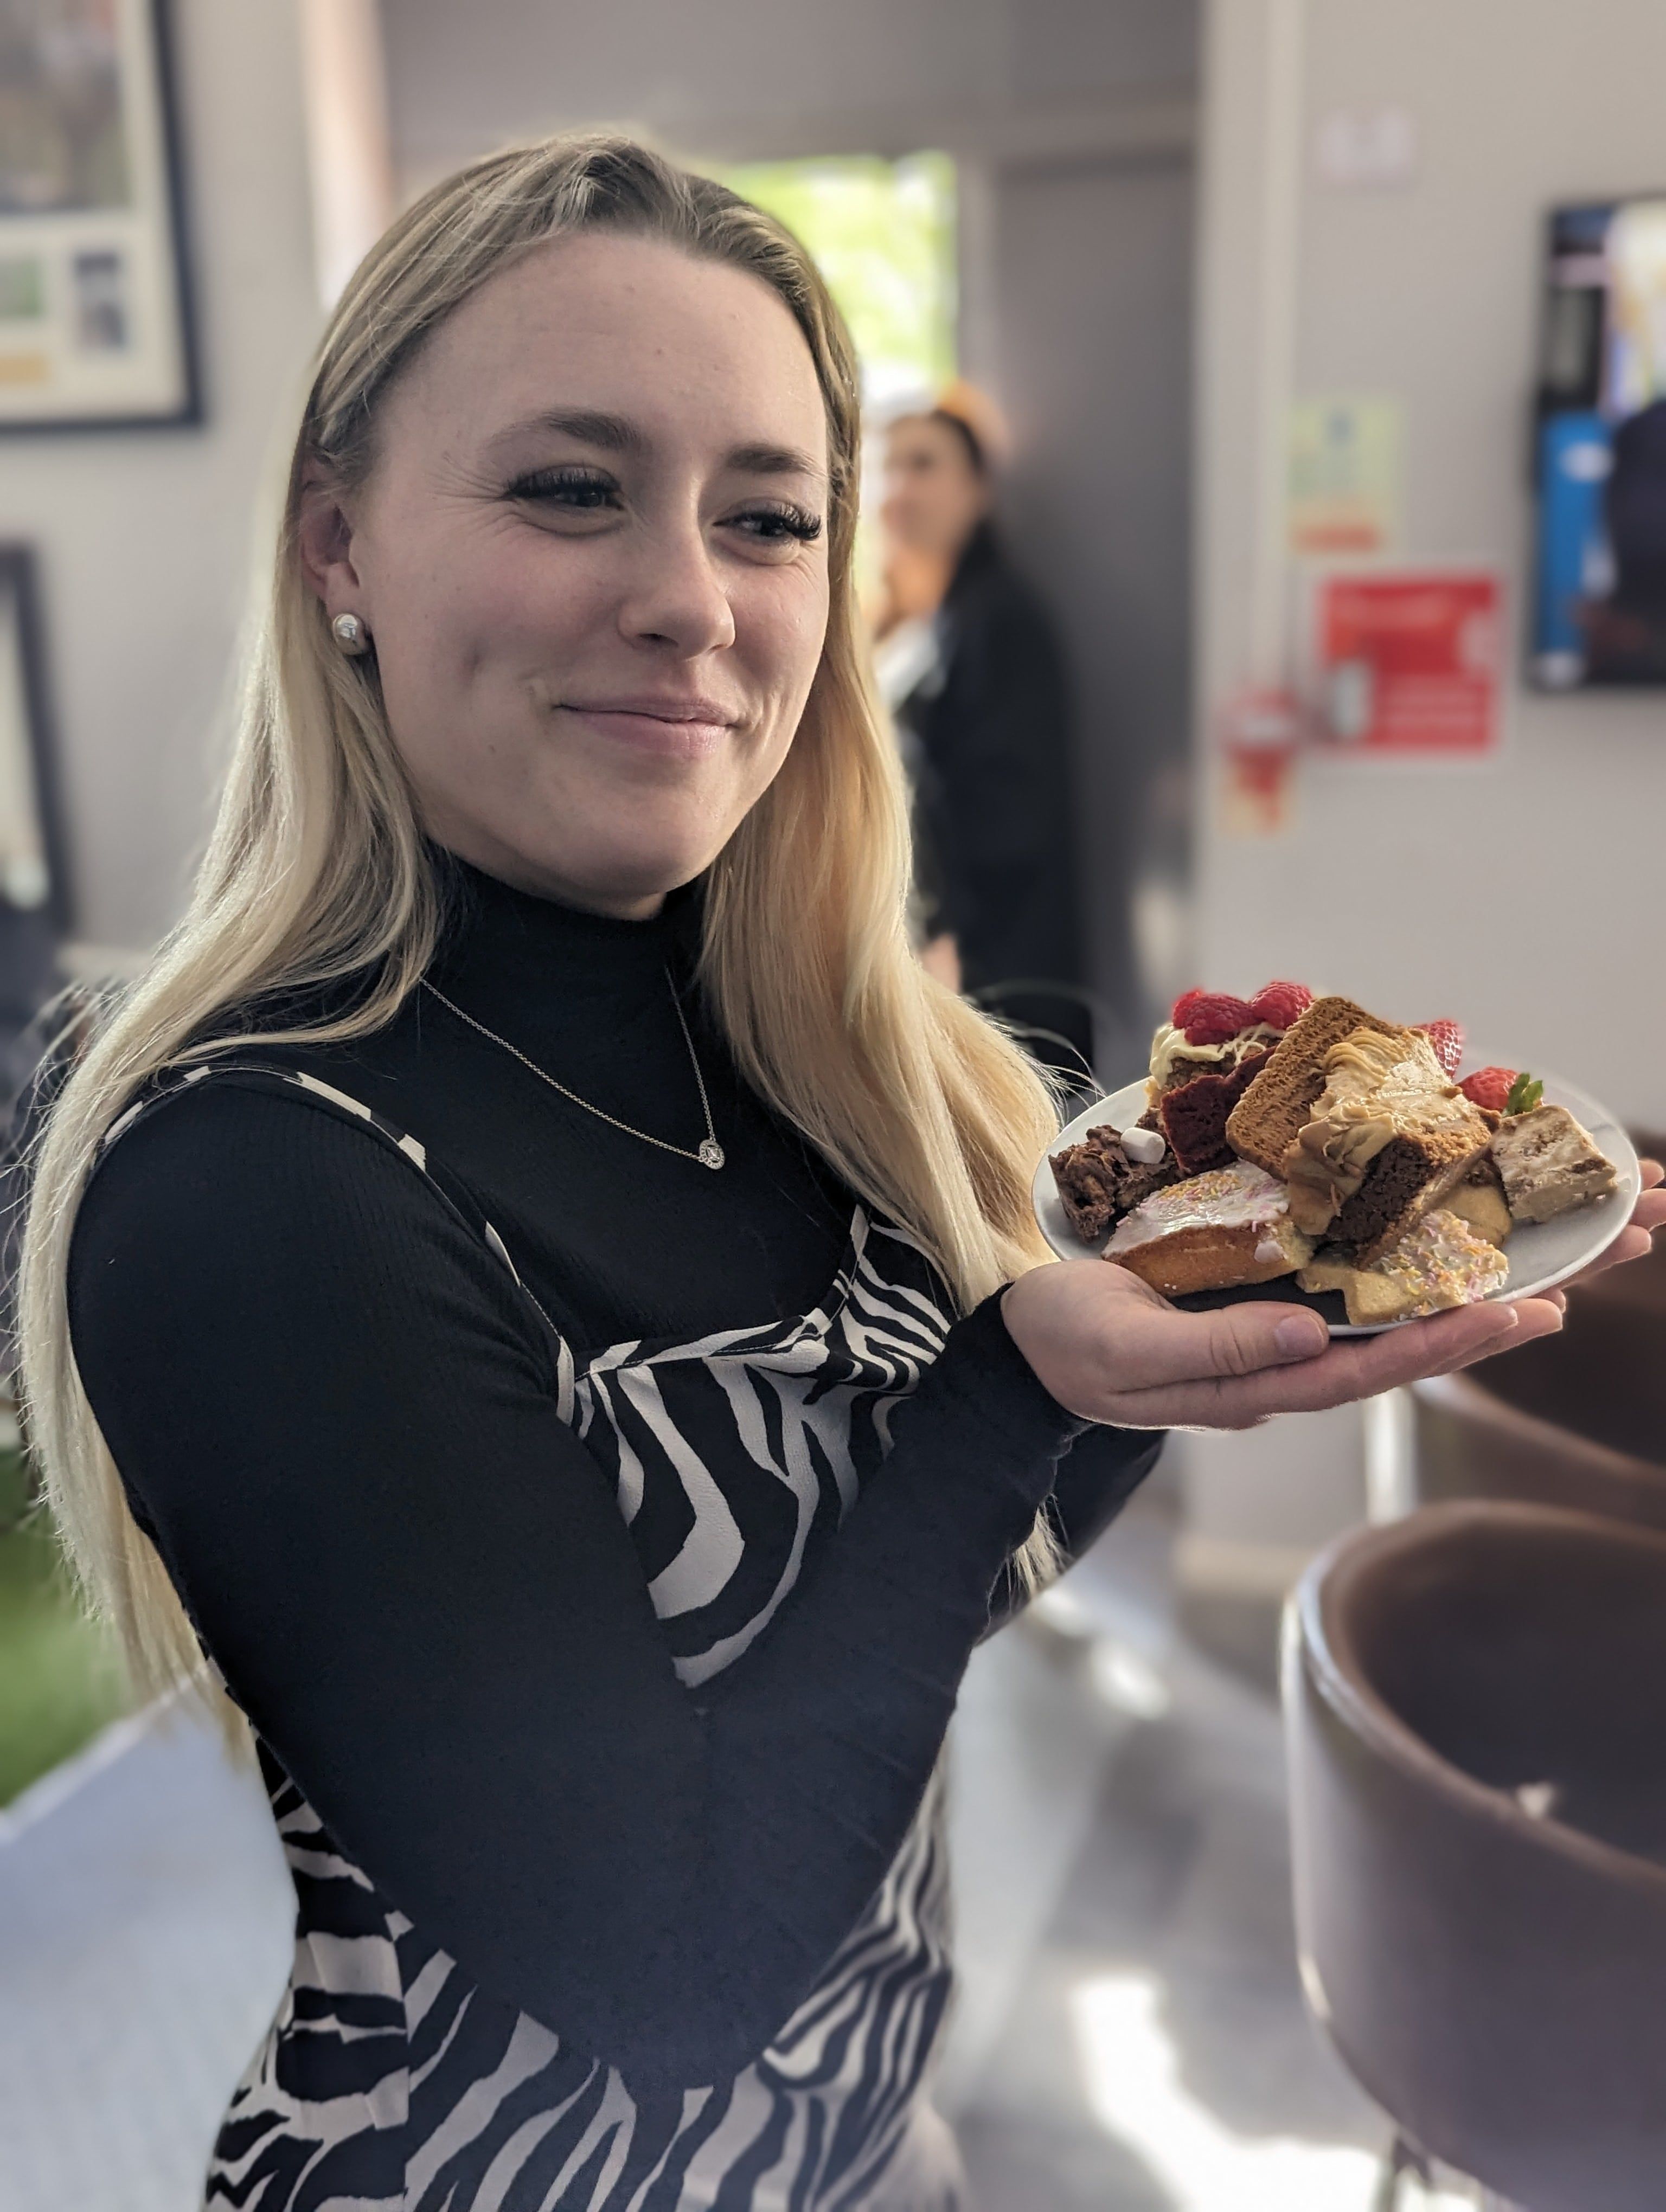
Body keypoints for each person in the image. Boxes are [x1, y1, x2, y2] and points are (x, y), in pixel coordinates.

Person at [16, 138, 1656, 2212]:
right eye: (569, 485)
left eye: (769, 516)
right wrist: (1009, 1388)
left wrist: (1251, 1281)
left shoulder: (799, 1039)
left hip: (868, 2142)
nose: (693, 598)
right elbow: (663, 1964)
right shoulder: (255, 1186)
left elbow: (953, 1555)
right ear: (340, 540)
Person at [876, 397, 1089, 1069]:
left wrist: (946, 941)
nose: (899, 487)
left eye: (924, 464)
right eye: (889, 467)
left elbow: (1008, 817)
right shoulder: (931, 620)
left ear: (977, 490)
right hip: (947, 959)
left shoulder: (1000, 620)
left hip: (993, 971)